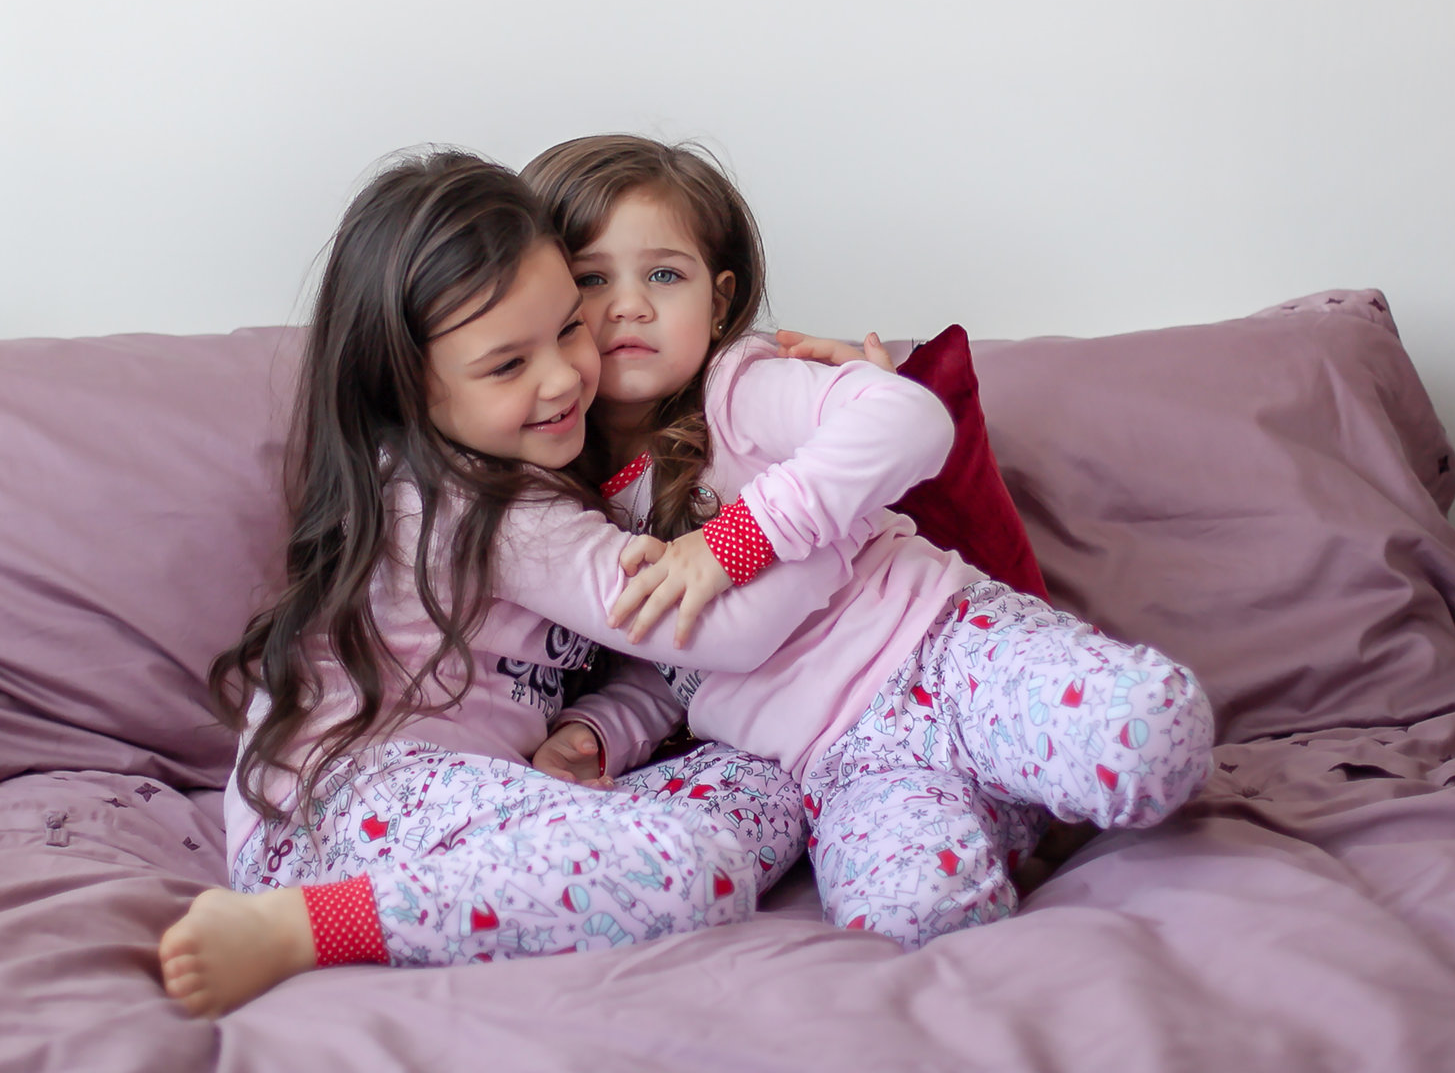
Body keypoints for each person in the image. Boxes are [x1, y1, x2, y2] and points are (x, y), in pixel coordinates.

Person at [157, 152, 830, 1017]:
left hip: (476, 797)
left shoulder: (544, 473)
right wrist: (830, 501)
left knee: (770, 783)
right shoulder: (475, 504)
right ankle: (299, 929)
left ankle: (538, 890)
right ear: (408, 388)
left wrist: (594, 732)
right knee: (696, 867)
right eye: (508, 365)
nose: (563, 376)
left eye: (569, 327)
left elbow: (658, 669)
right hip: (342, 812)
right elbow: (707, 632)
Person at [518, 135, 1216, 949]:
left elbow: (909, 418)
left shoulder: (740, 387)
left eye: (664, 275)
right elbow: (671, 664)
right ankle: (1013, 805)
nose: (627, 306)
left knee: (1151, 733)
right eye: (592, 279)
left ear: (719, 297)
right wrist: (600, 730)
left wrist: (735, 539)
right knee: (913, 922)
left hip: (947, 650)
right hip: (841, 759)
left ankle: (1029, 766)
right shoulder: (567, 506)